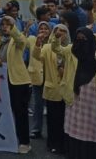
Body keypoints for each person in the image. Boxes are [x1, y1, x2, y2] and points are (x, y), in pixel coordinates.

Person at [57, 27, 96, 159]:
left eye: (84, 39)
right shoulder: (71, 51)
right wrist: (56, 37)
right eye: (78, 39)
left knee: (94, 127)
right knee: (76, 126)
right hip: (75, 95)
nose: (81, 42)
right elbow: (56, 49)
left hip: (93, 97)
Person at [0, 16, 30, 154]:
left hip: (18, 81)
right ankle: (9, 138)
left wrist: (13, 26)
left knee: (20, 112)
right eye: (3, 25)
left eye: (7, 25)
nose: (4, 27)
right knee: (5, 110)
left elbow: (20, 39)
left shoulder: (17, 40)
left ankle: (24, 142)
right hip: (2, 80)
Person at [32, 24, 68, 154]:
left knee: (66, 119)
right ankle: (53, 144)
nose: (61, 34)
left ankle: (65, 144)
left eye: (64, 32)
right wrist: (38, 43)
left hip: (67, 90)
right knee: (53, 119)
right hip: (52, 89)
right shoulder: (47, 48)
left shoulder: (71, 47)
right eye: (58, 32)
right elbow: (37, 56)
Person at [26, 21, 49, 140]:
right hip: (36, 77)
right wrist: (26, 29)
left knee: (52, 106)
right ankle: (36, 129)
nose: (43, 30)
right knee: (37, 105)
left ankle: (52, 131)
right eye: (41, 28)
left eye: (46, 28)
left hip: (51, 78)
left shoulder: (53, 43)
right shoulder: (32, 39)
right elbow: (22, 42)